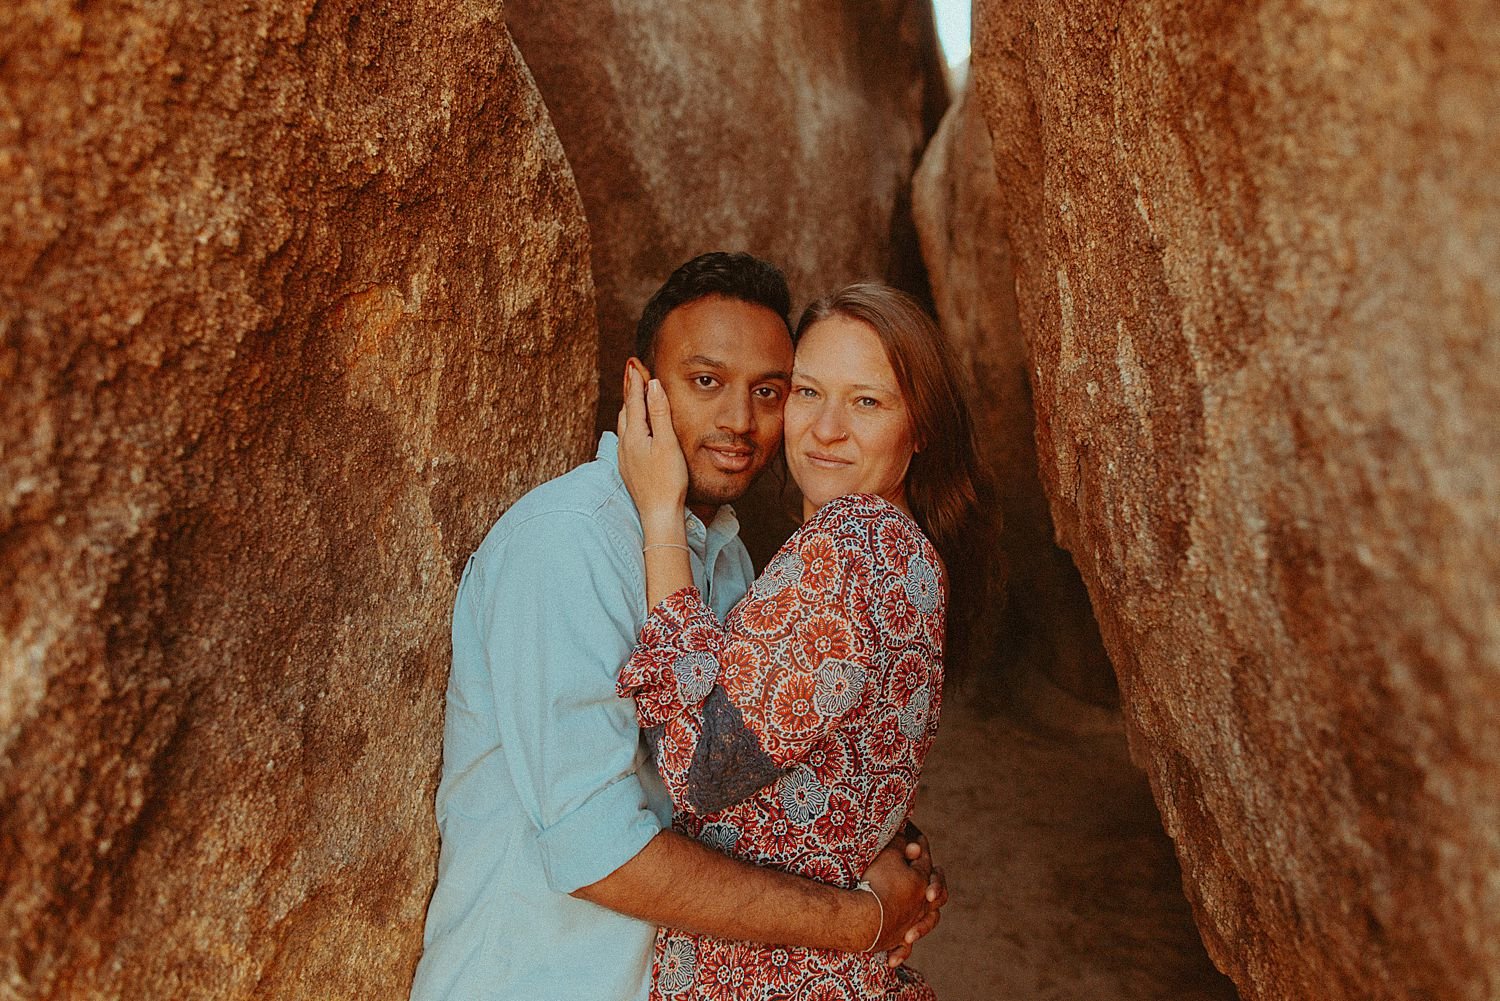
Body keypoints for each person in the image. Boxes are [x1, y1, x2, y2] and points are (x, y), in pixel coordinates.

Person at [409, 256, 946, 1001]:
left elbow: (774, 778)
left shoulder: (728, 560)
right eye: (706, 381)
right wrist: (859, 917)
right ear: (641, 388)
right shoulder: (568, 544)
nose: (738, 419)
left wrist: (883, 846)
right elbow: (598, 852)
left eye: (769, 390)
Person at [615, 281, 991, 1000]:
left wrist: (661, 515)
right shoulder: (909, 555)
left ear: (921, 429)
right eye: (808, 392)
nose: (826, 429)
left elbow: (695, 769)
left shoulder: (854, 545)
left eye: (867, 401)